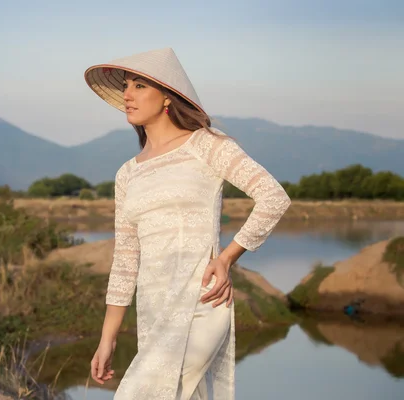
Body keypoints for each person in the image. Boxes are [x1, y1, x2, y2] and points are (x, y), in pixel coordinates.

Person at [83, 48, 291, 400]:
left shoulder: (208, 145)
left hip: (201, 301)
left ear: (167, 96)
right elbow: (124, 261)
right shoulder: (128, 173)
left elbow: (274, 197)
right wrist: (108, 339)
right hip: (154, 311)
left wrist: (225, 259)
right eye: (125, 87)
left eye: (138, 86)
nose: (127, 95)